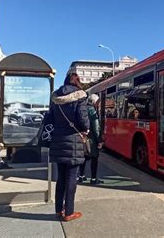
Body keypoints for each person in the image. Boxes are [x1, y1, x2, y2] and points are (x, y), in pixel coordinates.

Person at [49, 72, 89, 222]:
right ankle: (69, 212)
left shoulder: (55, 97)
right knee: (72, 178)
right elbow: (83, 119)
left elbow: (51, 118)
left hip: (58, 140)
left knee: (61, 178)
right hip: (73, 141)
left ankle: (59, 210)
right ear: (77, 82)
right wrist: (86, 129)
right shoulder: (80, 96)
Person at [78, 94, 104, 184]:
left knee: (84, 157)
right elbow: (96, 128)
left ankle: (81, 176)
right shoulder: (92, 111)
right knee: (94, 158)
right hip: (92, 140)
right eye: (98, 102)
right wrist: (99, 140)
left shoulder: (83, 109)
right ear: (94, 102)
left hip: (83, 138)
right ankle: (93, 179)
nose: (98, 104)